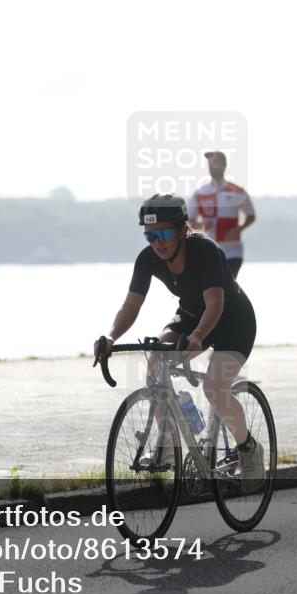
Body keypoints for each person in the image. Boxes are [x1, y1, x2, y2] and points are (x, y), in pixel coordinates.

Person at [95, 194, 263, 492]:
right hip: (190, 315)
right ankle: (170, 443)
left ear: (183, 229)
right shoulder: (148, 259)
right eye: (149, 235)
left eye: (163, 234)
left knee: (214, 387)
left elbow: (215, 304)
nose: (156, 243)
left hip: (232, 322)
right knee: (156, 358)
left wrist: (198, 336)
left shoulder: (205, 251)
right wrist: (110, 337)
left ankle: (248, 448)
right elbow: (130, 306)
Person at [188, 151, 256, 278]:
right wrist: (201, 226)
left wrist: (239, 228)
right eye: (210, 163)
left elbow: (251, 215)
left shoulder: (237, 191)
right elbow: (188, 221)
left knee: (227, 287)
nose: (212, 166)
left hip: (232, 252)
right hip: (207, 250)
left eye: (216, 162)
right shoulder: (200, 193)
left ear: (224, 165)